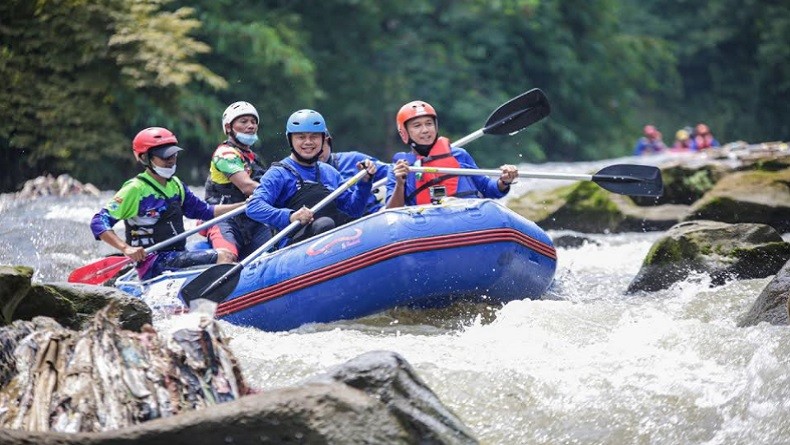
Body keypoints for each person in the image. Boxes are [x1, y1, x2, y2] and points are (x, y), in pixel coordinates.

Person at [90, 127, 243, 280]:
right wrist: (126, 248)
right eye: (164, 156)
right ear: (145, 158)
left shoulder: (175, 185)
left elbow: (205, 211)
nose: (170, 160)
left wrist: (244, 205)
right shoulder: (135, 189)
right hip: (152, 261)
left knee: (223, 250)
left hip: (176, 254)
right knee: (224, 256)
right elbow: (99, 221)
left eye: (173, 155)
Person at [246, 109, 378, 245]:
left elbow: (354, 210)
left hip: (335, 240)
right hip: (296, 247)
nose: (308, 142)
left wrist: (364, 182)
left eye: (314, 136)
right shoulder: (278, 173)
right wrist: (290, 216)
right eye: (301, 137)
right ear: (290, 140)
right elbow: (254, 207)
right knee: (324, 224)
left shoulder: (329, 172)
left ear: (323, 139)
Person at [385, 100, 518, 209]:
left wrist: (504, 181)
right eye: (417, 125)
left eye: (429, 124)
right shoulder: (399, 169)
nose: (425, 130)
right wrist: (400, 184)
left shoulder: (459, 155)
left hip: (469, 219)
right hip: (426, 229)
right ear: (405, 133)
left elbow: (489, 189)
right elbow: (391, 212)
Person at [203, 101, 272, 261]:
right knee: (227, 258)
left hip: (252, 220)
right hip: (224, 220)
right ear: (228, 128)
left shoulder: (254, 158)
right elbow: (247, 187)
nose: (251, 126)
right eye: (244, 121)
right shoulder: (225, 154)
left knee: (278, 248)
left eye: (253, 122)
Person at [318, 130, 389, 215]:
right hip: (334, 226)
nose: (318, 150)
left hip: (373, 217)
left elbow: (392, 171)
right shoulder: (300, 176)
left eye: (321, 144)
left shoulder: (354, 160)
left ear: (329, 142)